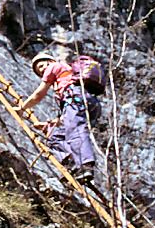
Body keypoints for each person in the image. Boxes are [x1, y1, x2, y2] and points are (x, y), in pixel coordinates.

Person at [13, 51, 101, 184]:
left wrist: (22, 108)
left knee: (75, 130)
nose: (43, 70)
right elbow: (66, 118)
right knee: (55, 135)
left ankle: (85, 165)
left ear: (50, 62)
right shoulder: (63, 81)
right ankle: (71, 163)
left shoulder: (54, 67)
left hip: (76, 99)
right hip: (86, 103)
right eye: (40, 70)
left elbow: (39, 94)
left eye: (42, 66)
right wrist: (48, 125)